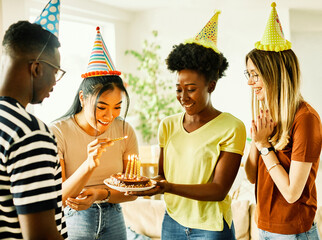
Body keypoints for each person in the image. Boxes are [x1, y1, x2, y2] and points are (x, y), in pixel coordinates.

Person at [130, 11, 246, 239]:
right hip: (172, 222)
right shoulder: (167, 125)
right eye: (178, 89)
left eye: (191, 89)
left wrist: (168, 187)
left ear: (211, 86)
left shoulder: (231, 127)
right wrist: (148, 184)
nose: (183, 96)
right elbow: (163, 175)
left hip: (210, 228)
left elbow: (218, 190)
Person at [51, 27, 138, 240]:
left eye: (117, 106)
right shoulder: (57, 132)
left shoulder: (125, 129)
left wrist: (100, 193)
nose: (110, 116)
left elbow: (134, 191)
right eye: (101, 107)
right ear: (82, 98)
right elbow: (59, 197)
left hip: (114, 215)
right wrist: (89, 164)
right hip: (74, 217)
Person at [244, 2, 322, 239]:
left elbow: (291, 193)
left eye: (255, 75)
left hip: (292, 231)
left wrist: (265, 146)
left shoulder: (305, 119)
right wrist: (256, 141)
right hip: (264, 226)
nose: (250, 82)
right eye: (248, 74)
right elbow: (251, 176)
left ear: (274, 73)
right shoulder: (268, 117)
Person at [0, 20, 67, 239]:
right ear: (36, 68)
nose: (55, 83)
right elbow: (41, 235)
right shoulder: (30, 133)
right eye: (55, 71)